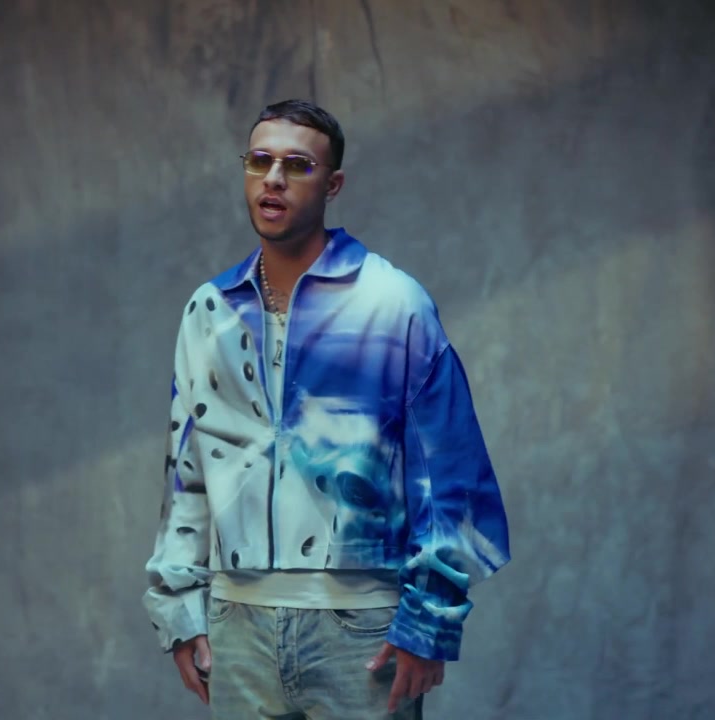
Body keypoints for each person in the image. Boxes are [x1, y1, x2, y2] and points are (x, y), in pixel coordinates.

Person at [143, 99, 510, 719]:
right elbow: (188, 472)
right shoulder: (209, 310)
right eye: (260, 161)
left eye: (297, 165)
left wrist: (430, 619)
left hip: (361, 627)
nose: (274, 179)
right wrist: (179, 609)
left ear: (333, 184)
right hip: (236, 625)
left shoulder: (393, 304)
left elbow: (452, 472)